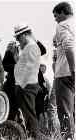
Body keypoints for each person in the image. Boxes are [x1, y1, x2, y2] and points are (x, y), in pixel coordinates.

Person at [13, 23, 41, 139]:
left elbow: (30, 67)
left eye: (18, 38)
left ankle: (35, 137)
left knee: (29, 114)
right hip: (26, 84)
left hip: (27, 85)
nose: (18, 41)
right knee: (26, 114)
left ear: (24, 35)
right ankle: (30, 135)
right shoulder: (29, 47)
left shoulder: (31, 47)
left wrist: (22, 85)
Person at [52, 2, 75, 137]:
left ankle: (68, 137)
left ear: (62, 13)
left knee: (65, 111)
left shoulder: (62, 25)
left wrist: (72, 68)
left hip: (65, 73)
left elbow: (68, 45)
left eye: (56, 16)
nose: (55, 19)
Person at [2, 41, 19, 120]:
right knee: (11, 104)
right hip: (12, 82)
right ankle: (10, 124)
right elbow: (4, 65)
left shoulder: (25, 49)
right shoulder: (10, 51)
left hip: (23, 82)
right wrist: (16, 66)